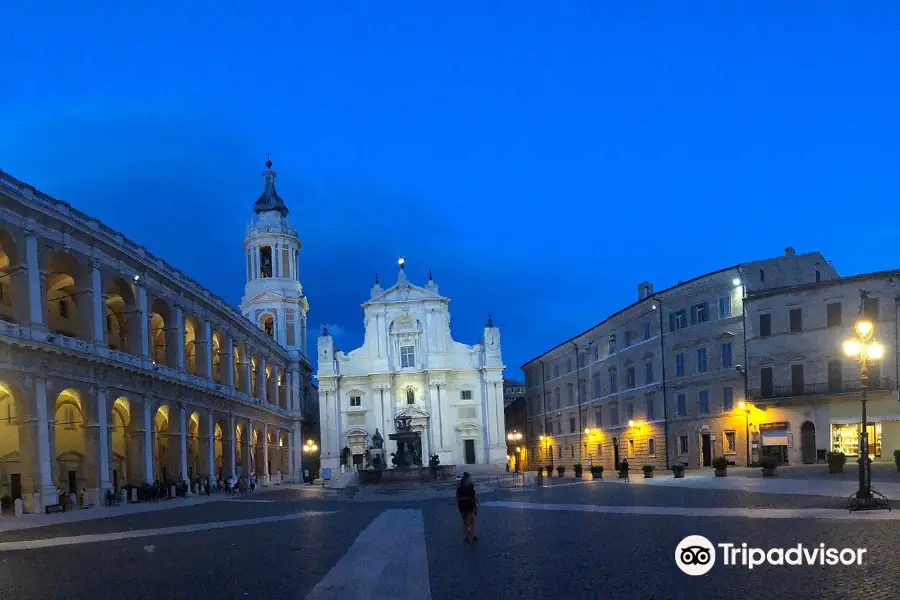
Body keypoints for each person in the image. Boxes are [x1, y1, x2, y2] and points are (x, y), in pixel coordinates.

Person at [456, 472, 478, 544]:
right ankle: (472, 536)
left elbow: (457, 498)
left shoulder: (460, 487)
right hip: (468, 506)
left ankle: (470, 536)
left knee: (468, 522)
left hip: (465, 507)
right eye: (469, 478)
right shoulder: (468, 486)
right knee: (470, 522)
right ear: (467, 478)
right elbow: (474, 495)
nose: (470, 479)